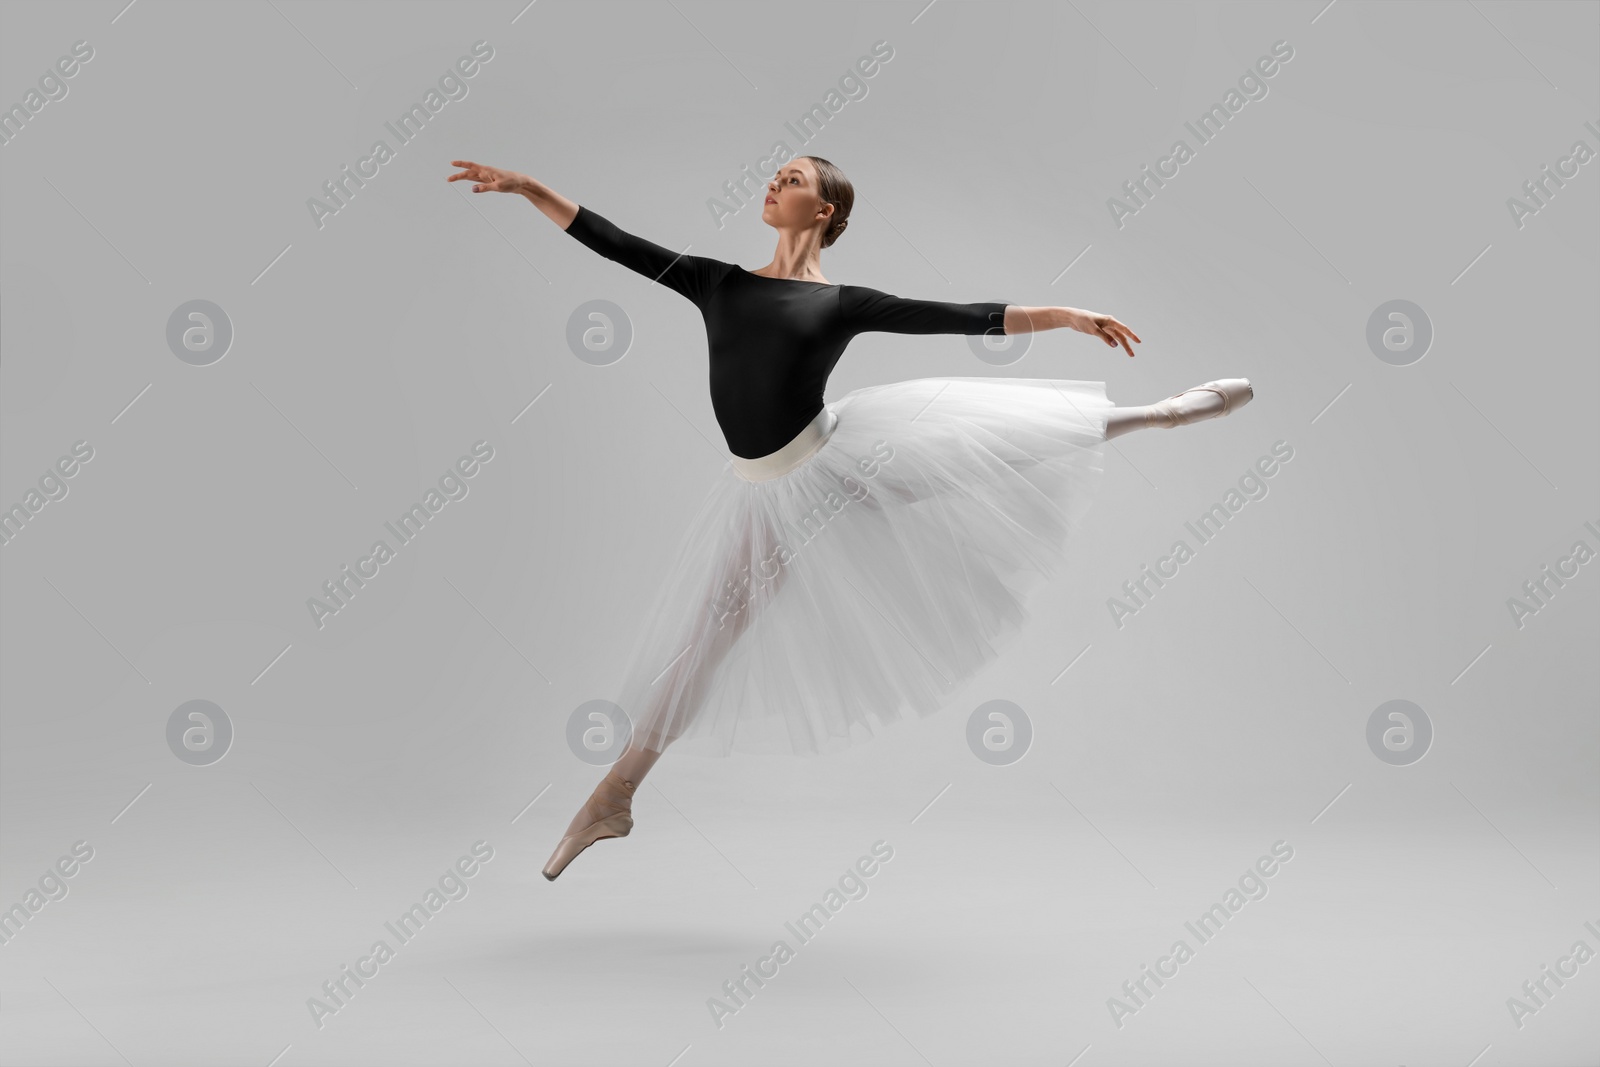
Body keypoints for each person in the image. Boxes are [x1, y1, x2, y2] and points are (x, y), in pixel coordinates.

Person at [445, 156, 1252, 880]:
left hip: (839, 460)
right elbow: (618, 242)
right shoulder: (718, 281)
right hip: (765, 492)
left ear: (824, 210)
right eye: (774, 176)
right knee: (702, 644)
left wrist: (1069, 315)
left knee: (978, 446)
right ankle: (616, 796)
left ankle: (1158, 414)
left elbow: (966, 315)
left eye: (791, 180)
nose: (772, 184)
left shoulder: (842, 302)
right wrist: (527, 189)